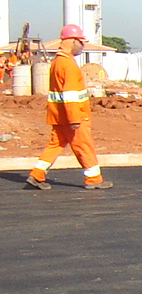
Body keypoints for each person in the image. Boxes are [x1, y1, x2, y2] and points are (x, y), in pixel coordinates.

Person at [24, 24, 112, 190]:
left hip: (58, 115)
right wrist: (75, 119)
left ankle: (37, 174)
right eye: (81, 42)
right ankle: (94, 180)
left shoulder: (58, 62)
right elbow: (70, 94)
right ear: (73, 41)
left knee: (55, 144)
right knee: (84, 146)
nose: (83, 46)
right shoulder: (69, 65)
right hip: (74, 116)